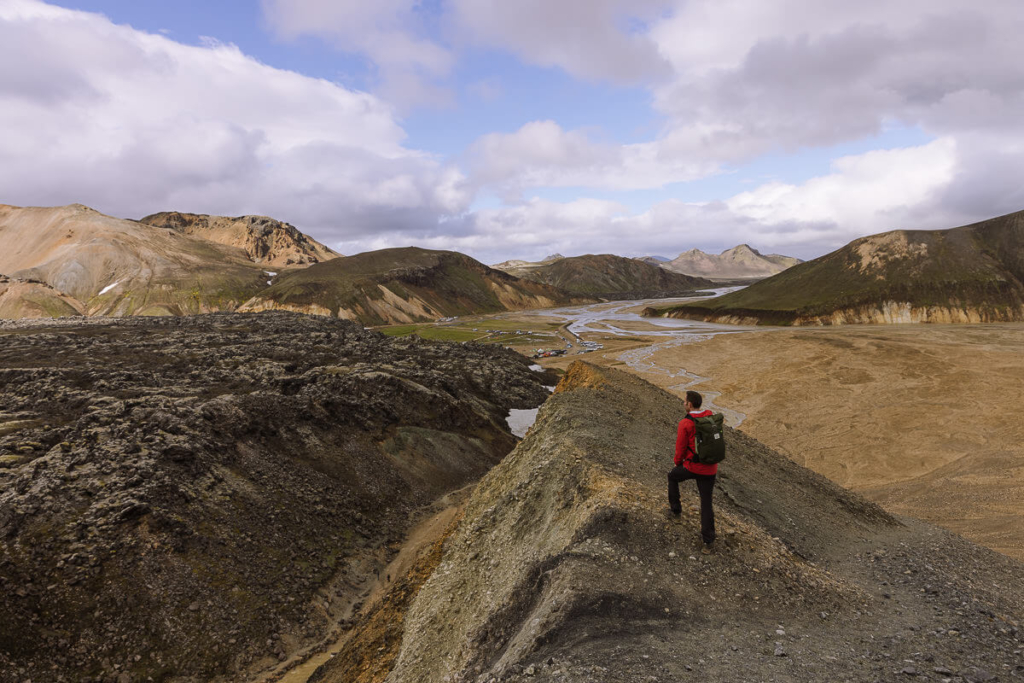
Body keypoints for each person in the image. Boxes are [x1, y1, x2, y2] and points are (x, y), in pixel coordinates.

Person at [667, 390, 717, 553]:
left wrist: (677, 463)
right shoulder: (711, 417)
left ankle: (675, 510)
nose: (683, 404)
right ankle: (708, 541)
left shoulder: (686, 423)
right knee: (706, 502)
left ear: (689, 404)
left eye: (684, 401)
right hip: (710, 468)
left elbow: (680, 448)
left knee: (672, 477)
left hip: (692, 467)